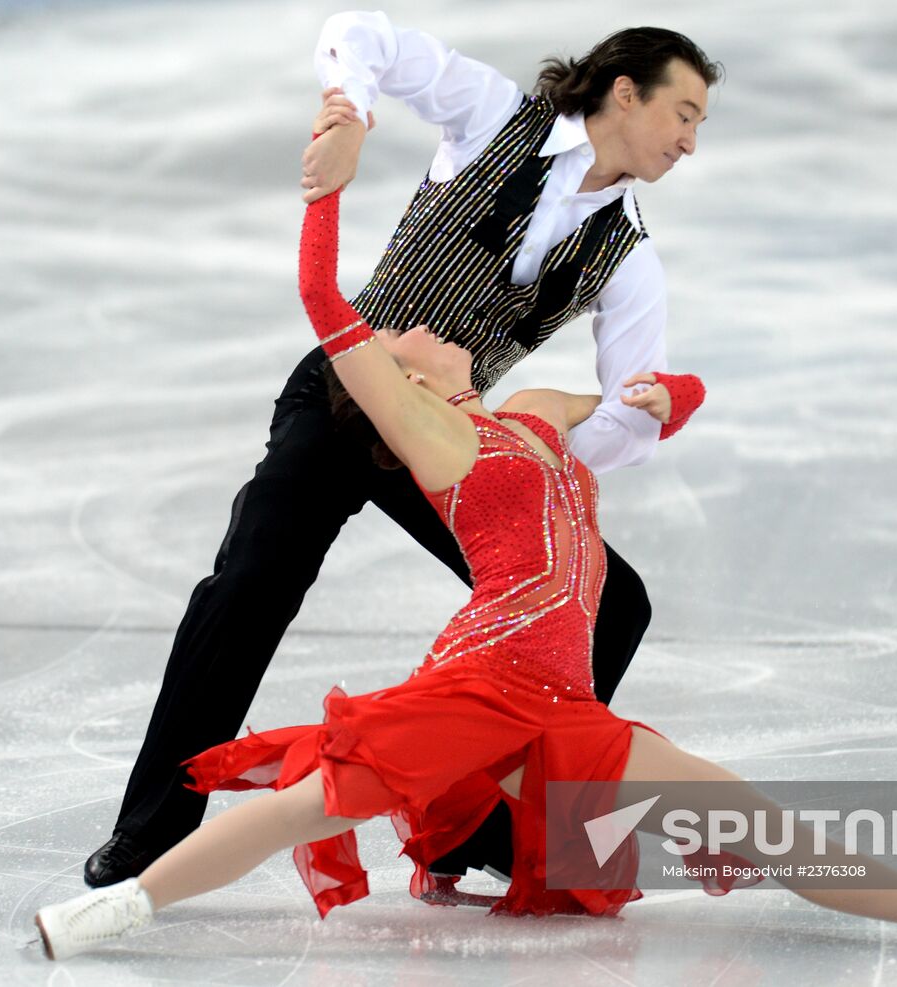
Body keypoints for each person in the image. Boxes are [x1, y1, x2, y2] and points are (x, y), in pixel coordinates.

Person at [35, 182, 897, 962]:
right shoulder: (436, 440)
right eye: (407, 335)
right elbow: (329, 310)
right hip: (471, 689)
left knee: (747, 813)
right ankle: (113, 908)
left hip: (556, 700)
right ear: (397, 385)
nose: (424, 324)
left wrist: (664, 397)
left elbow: (654, 398)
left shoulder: (530, 414)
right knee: (298, 812)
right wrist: (325, 194)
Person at [86, 14, 720, 888]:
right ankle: (152, 832)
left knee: (617, 605)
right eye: (683, 113)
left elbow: (615, 432)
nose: (690, 140)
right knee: (247, 586)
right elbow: (365, 32)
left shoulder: (630, 256)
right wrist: (347, 113)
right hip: (345, 395)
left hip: (441, 440)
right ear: (624, 92)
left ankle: (479, 827)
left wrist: (647, 413)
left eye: (699, 124)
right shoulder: (497, 114)